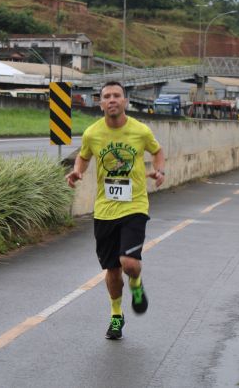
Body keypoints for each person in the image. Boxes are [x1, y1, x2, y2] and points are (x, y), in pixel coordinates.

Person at [65, 81, 165, 340]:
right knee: (112, 270)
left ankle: (136, 284)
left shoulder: (140, 131)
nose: (112, 100)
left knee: (129, 263)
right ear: (100, 103)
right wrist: (77, 171)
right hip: (105, 210)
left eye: (117, 96)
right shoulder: (92, 134)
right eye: (107, 96)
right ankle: (117, 316)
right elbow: (83, 156)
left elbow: (157, 151)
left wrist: (159, 171)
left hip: (134, 206)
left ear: (125, 101)